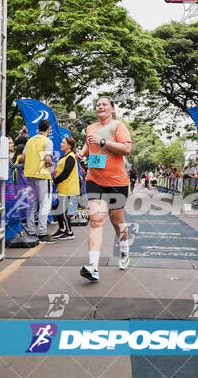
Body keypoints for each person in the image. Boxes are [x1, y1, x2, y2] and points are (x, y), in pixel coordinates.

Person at [76, 96, 132, 281]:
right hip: (94, 179)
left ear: (112, 109)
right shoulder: (91, 128)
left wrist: (103, 142)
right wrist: (81, 153)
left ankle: (124, 249)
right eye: (98, 104)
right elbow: (88, 144)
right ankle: (93, 266)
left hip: (116, 181)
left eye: (104, 104)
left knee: (117, 222)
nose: (100, 106)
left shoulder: (118, 126)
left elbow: (126, 149)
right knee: (96, 220)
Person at [21, 119, 57, 243]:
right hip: (42, 175)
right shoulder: (47, 141)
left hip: (30, 175)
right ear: (48, 129)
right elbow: (48, 159)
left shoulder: (30, 141)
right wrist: (52, 170)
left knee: (31, 205)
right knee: (45, 204)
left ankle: (31, 231)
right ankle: (42, 233)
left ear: (38, 128)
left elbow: (22, 157)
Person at [51, 137, 79, 240]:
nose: (61, 144)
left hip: (67, 188)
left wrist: (55, 180)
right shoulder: (64, 157)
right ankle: (62, 229)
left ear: (69, 146)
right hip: (61, 187)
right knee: (56, 209)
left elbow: (66, 173)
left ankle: (69, 232)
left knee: (63, 211)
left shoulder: (71, 157)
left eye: (63, 142)